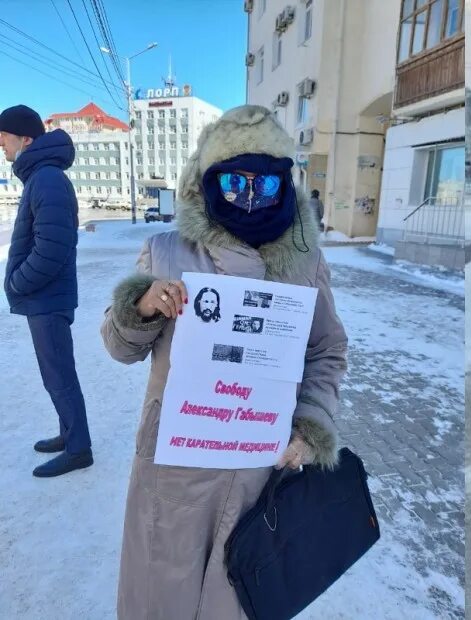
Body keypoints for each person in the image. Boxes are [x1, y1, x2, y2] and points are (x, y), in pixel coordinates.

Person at [100, 105, 348, 618]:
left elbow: (326, 349)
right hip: (174, 470)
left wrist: (311, 426)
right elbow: (119, 348)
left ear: (286, 183)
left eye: (266, 184)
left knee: (235, 598)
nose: (250, 197)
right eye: (235, 182)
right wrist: (142, 305)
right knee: (158, 598)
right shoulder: (167, 251)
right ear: (210, 181)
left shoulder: (306, 263)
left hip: (259, 470)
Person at [0, 104, 93, 478]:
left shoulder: (47, 179)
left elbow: (52, 249)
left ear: (26, 139)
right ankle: (69, 433)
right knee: (54, 373)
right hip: (45, 298)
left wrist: (16, 281)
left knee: (60, 375)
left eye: (4, 140)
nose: (3, 149)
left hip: (46, 299)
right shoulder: (41, 176)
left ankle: (79, 448)